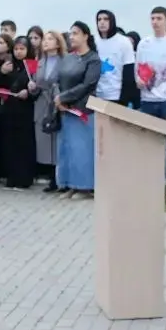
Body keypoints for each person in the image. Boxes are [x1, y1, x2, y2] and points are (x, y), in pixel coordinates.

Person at [53, 22, 100, 198]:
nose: (71, 37)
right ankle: (68, 184)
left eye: (76, 33)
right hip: (64, 110)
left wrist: (64, 98)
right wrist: (58, 98)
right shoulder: (68, 58)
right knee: (67, 149)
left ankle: (84, 187)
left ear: (85, 36)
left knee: (82, 150)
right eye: (70, 33)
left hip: (82, 111)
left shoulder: (93, 59)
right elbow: (57, 81)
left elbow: (87, 85)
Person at [137, 6, 166, 176]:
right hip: (147, 99)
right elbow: (138, 67)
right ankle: (151, 177)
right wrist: (139, 80)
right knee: (148, 143)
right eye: (153, 18)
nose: (155, 22)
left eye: (159, 18)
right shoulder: (144, 43)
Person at [0, 34, 36, 189]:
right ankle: (11, 177)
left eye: (22, 49)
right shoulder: (9, 65)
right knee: (9, 144)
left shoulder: (32, 66)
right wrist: (2, 73)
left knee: (24, 145)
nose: (18, 52)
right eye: (16, 49)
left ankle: (24, 178)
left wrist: (29, 92)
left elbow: (38, 87)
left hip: (25, 111)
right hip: (9, 110)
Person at [33, 31, 63, 191]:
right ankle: (51, 176)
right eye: (44, 39)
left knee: (57, 140)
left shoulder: (64, 61)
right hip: (41, 104)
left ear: (58, 43)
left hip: (57, 103)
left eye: (50, 39)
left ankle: (59, 177)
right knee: (44, 140)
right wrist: (32, 87)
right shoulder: (40, 62)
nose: (46, 42)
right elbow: (36, 84)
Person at [93, 9, 134, 107]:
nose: (102, 22)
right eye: (99, 19)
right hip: (97, 95)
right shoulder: (93, 41)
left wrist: (124, 99)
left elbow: (129, 71)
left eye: (106, 19)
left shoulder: (123, 42)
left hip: (116, 95)